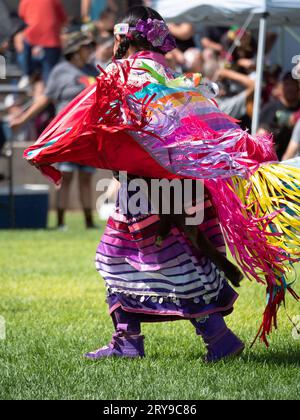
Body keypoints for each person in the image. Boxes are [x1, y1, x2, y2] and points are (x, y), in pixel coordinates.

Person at [24, 6, 300, 360]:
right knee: (171, 260)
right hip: (185, 189)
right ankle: (147, 339)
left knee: (141, 261)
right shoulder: (175, 78)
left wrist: (46, 147)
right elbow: (214, 123)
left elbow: (82, 113)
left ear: (124, 37)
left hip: (149, 192)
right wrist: (248, 155)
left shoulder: (125, 73)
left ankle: (212, 338)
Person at [11, 32, 98, 230]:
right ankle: (60, 222)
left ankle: (89, 222)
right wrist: (22, 119)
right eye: (86, 47)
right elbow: (45, 98)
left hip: (88, 133)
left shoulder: (92, 70)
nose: (89, 51)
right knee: (66, 176)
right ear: (76, 51)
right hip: (67, 132)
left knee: (86, 177)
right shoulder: (61, 71)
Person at [18, 0, 67, 86]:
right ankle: (30, 77)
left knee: (25, 58)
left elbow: (22, 16)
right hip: (50, 40)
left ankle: (27, 75)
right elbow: (63, 18)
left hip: (34, 38)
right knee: (49, 71)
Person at [258, 72, 300, 160]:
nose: (290, 88)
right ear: (280, 87)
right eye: (287, 84)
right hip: (274, 161)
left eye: (293, 84)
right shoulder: (270, 108)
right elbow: (261, 134)